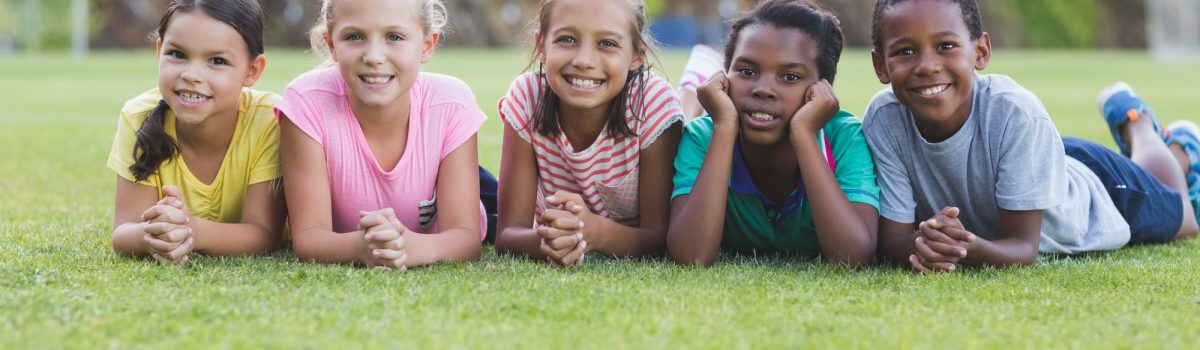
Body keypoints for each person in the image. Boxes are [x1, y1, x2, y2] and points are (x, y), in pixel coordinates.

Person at [864, 0, 1199, 273]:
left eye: (946, 46)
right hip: (1032, 163)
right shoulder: (883, 119)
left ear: (980, 51)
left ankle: (1140, 122)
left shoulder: (1015, 112)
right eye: (905, 52)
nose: (926, 65)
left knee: (1185, 216)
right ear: (881, 65)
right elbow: (893, 241)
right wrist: (925, 244)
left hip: (1100, 189)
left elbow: (1024, 248)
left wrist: (965, 246)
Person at [276, 0, 490, 270]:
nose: (374, 56)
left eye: (394, 37)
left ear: (426, 45)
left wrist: (410, 248)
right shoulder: (306, 102)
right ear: (332, 45)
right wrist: (361, 247)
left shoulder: (450, 104)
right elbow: (309, 237)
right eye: (354, 37)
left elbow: (465, 238)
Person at [667, 0, 880, 267]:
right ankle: (692, 88)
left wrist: (803, 133)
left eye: (790, 77)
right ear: (725, 76)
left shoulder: (844, 140)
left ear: (821, 90)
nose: (763, 89)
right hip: (712, 122)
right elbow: (690, 256)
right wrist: (723, 127)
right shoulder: (704, 135)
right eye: (746, 71)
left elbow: (852, 257)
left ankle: (694, 85)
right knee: (683, 117)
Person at [495, 0, 684, 267]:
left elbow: (662, 238)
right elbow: (507, 235)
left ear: (637, 54)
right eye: (567, 39)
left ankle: (692, 89)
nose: (584, 60)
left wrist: (596, 233)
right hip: (556, 228)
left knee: (687, 107)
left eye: (607, 43)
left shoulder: (652, 105)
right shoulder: (528, 98)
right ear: (541, 47)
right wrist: (554, 241)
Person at [108, 0, 282, 264]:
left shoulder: (268, 120)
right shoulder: (138, 116)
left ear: (252, 70)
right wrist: (153, 235)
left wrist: (190, 230)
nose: (192, 75)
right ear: (159, 51)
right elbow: (123, 231)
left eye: (217, 61)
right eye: (177, 54)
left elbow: (263, 234)